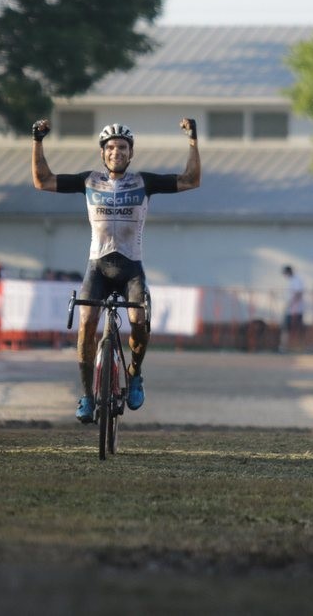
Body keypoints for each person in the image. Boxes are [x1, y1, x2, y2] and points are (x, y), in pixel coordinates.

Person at [32, 116, 200, 423]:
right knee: (85, 324)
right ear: (102, 153)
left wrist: (193, 140)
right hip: (97, 267)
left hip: (130, 268)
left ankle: (134, 376)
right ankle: (86, 395)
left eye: (122, 147)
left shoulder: (144, 182)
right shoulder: (88, 181)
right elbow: (43, 180)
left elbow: (191, 180)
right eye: (110, 147)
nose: (116, 152)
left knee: (138, 320)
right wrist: (37, 141)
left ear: (131, 153)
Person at [280, 265, 304, 353]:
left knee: (297, 329)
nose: (284, 276)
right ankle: (284, 347)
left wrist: (290, 304)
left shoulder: (297, 280)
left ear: (288, 272)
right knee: (286, 328)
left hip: (296, 310)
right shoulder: (292, 281)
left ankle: (298, 347)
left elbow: (298, 293)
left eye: (285, 274)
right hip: (291, 310)